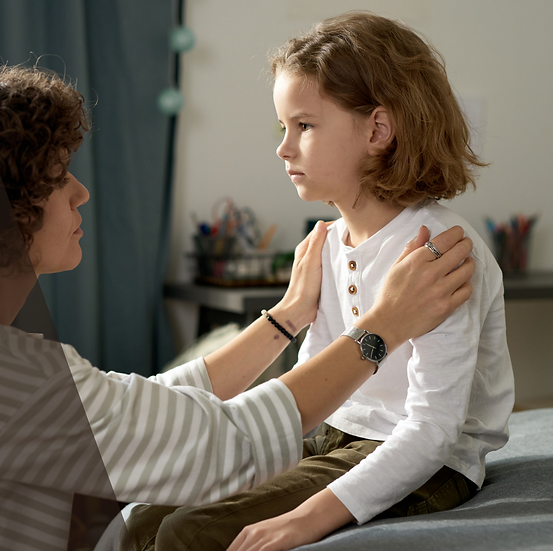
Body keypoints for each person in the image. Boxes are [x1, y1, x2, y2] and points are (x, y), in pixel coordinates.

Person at [0, 65, 475, 551]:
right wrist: (381, 330)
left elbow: (141, 410)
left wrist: (285, 319)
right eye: (59, 175)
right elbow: (218, 446)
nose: (82, 192)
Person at [127, 11, 515, 551]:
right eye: (283, 127)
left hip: (429, 459)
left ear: (378, 129)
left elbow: (433, 429)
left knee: (189, 533)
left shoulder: (437, 250)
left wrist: (305, 519)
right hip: (336, 438)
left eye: (304, 126)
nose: (284, 148)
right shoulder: (326, 243)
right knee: (142, 518)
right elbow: (317, 383)